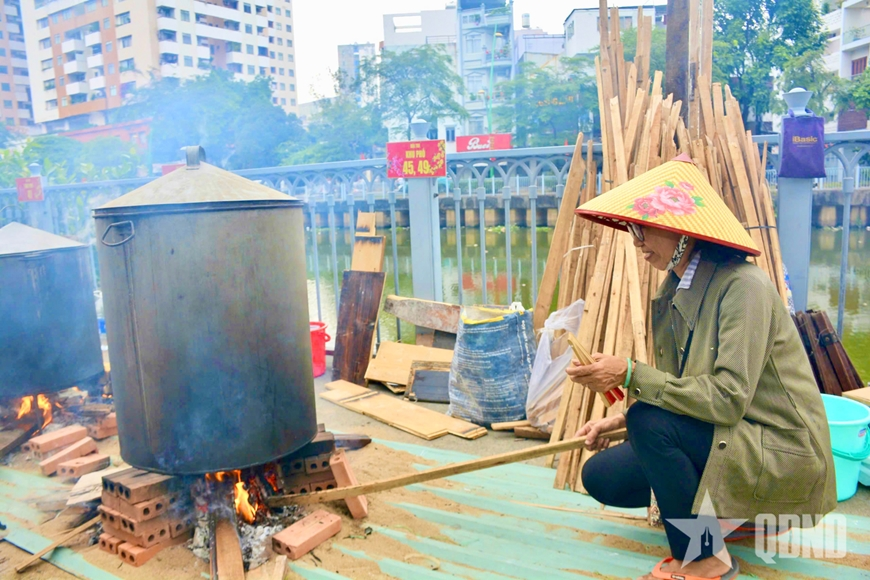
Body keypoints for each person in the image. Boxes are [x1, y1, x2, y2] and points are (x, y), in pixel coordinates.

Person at [566, 156, 836, 580]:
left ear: (684, 231)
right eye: (633, 229)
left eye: (644, 227)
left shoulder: (742, 288)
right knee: (603, 476)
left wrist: (629, 374)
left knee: (652, 423)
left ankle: (704, 557)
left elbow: (727, 400)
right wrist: (620, 422)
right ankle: (736, 518)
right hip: (736, 438)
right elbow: (684, 390)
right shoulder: (677, 286)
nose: (636, 240)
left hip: (781, 452)